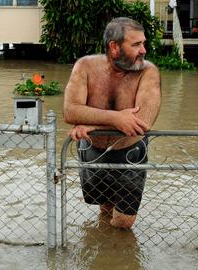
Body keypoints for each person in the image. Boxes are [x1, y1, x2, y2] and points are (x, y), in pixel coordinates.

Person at [64, 17, 161, 229]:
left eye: (143, 43)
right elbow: (70, 111)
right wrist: (115, 118)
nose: (143, 50)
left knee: (124, 221)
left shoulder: (148, 72)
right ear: (114, 47)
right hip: (93, 150)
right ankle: (107, 249)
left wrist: (92, 122)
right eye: (136, 44)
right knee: (104, 207)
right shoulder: (85, 66)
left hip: (130, 152)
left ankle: (119, 252)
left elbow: (143, 122)